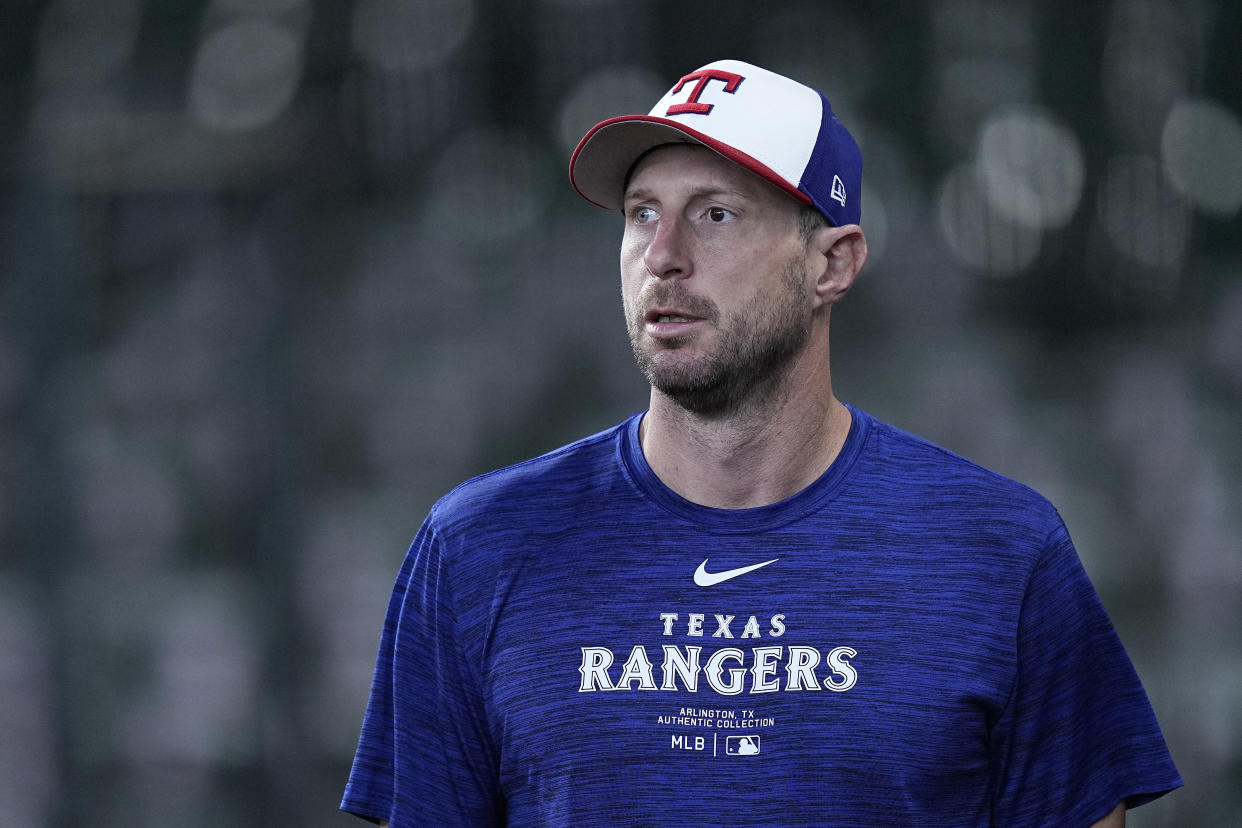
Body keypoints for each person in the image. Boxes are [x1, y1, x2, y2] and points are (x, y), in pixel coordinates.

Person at [341, 59, 1182, 827]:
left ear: (833, 264)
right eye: (642, 215)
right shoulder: (478, 546)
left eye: (715, 214)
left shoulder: (1000, 552)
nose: (662, 257)